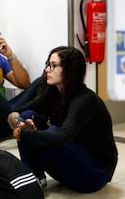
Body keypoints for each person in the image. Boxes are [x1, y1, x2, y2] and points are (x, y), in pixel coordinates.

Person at [6, 46, 118, 193]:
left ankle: (31, 180)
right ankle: (35, 178)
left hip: (96, 174)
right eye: (48, 64)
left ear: (70, 70)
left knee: (52, 132)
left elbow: (61, 137)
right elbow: (14, 113)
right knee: (27, 116)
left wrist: (24, 133)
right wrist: (20, 122)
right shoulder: (53, 93)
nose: (47, 70)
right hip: (72, 165)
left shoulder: (85, 100)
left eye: (53, 66)